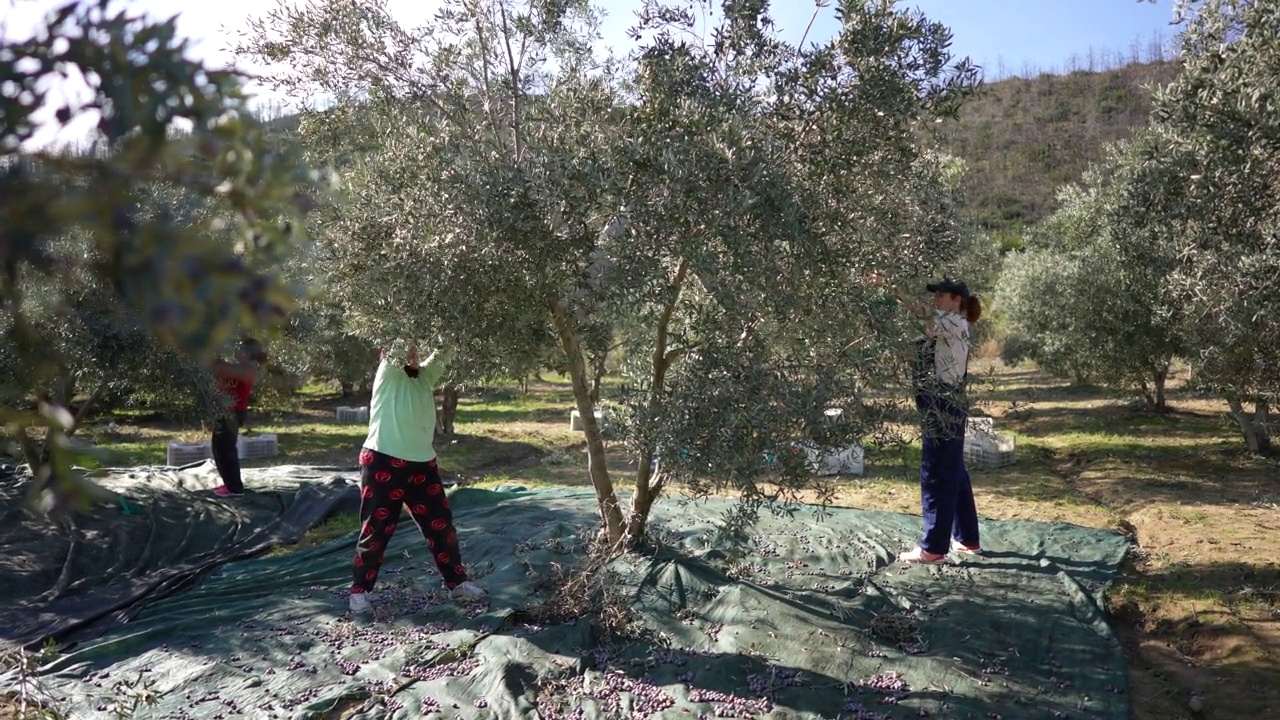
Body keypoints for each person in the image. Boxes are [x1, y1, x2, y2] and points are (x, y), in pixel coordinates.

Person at [348, 339, 487, 613]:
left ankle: (457, 584)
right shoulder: (388, 372)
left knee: (441, 527)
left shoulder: (425, 376)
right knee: (377, 529)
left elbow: (446, 349)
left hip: (423, 465)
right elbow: (397, 339)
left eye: (415, 350)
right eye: (406, 350)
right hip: (384, 461)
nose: (411, 354)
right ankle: (360, 592)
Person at [898, 279, 984, 564]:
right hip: (948, 402)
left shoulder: (953, 324)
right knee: (955, 470)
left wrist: (894, 289)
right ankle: (968, 538)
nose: (937, 299)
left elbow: (923, 314)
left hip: (942, 404)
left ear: (957, 300)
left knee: (935, 472)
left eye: (942, 295)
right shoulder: (952, 324)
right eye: (936, 295)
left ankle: (933, 548)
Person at [211, 338, 267, 497]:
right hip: (228, 412)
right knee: (219, 449)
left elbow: (219, 367)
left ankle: (234, 487)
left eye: (238, 349)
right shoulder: (240, 368)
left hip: (232, 414)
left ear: (246, 353)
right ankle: (229, 484)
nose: (235, 352)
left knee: (226, 450)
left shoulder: (245, 370)